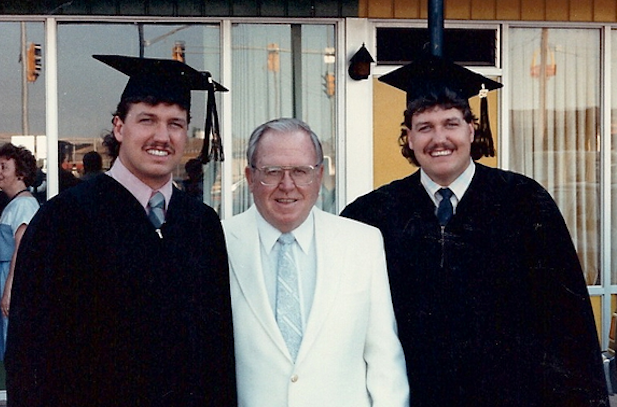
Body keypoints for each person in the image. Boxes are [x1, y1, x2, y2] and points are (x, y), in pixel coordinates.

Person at [341, 54, 609, 406]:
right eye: (425, 127)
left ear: (471, 128)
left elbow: (567, 324)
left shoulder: (524, 203)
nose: (439, 139)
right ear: (407, 137)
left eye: (450, 123)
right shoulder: (372, 214)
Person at [5, 55, 236, 407]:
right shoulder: (64, 220)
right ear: (118, 126)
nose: (162, 136)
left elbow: (217, 350)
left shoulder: (201, 223)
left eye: (175, 123)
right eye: (147, 119)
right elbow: (30, 356)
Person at [222, 117, 409, 407]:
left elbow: (384, 361)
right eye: (272, 172)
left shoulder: (362, 243)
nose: (287, 185)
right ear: (249, 177)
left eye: (300, 171)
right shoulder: (217, 243)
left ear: (319, 176)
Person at [0, 143, 39, 361]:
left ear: (21, 174)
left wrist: (9, 289)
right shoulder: (14, 204)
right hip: (4, 274)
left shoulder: (24, 205)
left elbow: (21, 249)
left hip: (11, 276)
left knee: (15, 343)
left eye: (4, 167)